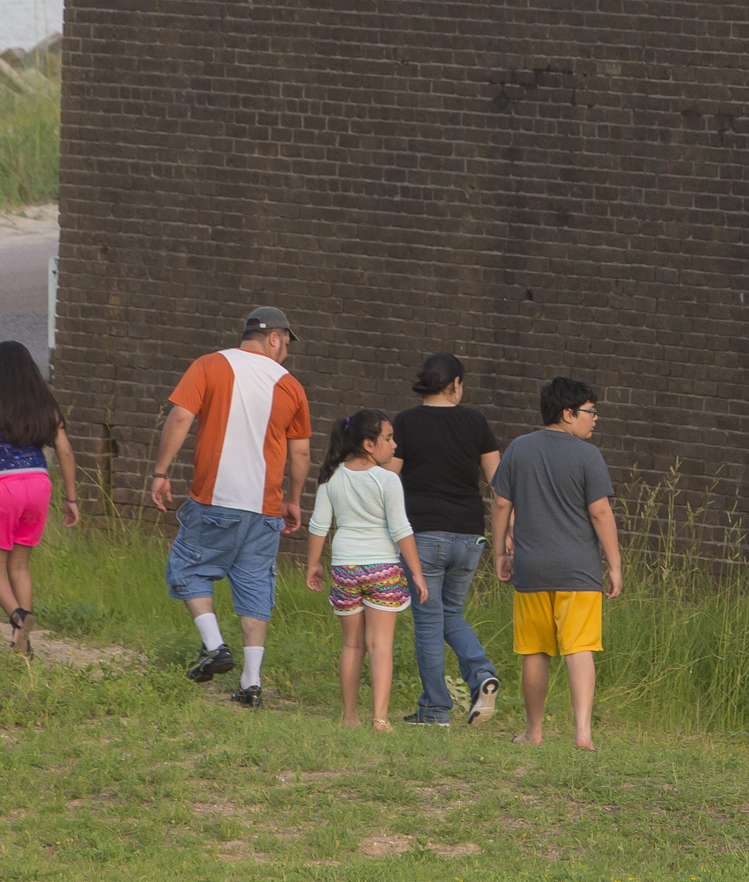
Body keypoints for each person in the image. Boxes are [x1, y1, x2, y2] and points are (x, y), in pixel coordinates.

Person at [149, 305, 312, 707]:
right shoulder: (291, 386)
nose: (287, 351)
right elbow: (301, 453)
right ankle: (251, 683)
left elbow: (180, 418)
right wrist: (292, 499)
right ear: (273, 338)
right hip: (266, 508)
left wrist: (161, 471)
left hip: (214, 499)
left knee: (187, 567)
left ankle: (213, 645)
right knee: (255, 585)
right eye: (286, 342)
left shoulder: (209, 365)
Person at [490, 376, 622, 750]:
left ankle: (533, 732)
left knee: (535, 650)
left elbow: (501, 503)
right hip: (578, 570)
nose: (595, 418)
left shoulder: (519, 448)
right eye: (590, 411)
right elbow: (600, 512)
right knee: (579, 649)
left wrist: (500, 552)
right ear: (568, 413)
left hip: (530, 568)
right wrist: (614, 565)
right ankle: (582, 734)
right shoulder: (588, 456)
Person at [0, 339, 82, 658]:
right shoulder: (45, 401)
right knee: (20, 565)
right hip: (39, 486)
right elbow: (64, 450)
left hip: (3, 487)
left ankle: (19, 617)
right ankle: (22, 644)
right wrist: (71, 499)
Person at [301, 409, 431, 733]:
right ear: (369, 444)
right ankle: (380, 718)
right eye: (388, 438)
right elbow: (401, 528)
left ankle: (349, 717)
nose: (394, 445)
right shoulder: (387, 480)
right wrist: (416, 572)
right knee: (380, 645)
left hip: (344, 568)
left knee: (351, 645)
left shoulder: (331, 477)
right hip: (383, 567)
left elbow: (319, 525)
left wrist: (313, 564)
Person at [391, 353, 503, 727]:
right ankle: (481, 673)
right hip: (470, 535)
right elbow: (500, 484)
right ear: (455, 383)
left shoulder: (405, 423)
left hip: (424, 534)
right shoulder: (476, 421)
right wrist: (507, 534)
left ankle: (435, 708)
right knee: (451, 613)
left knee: (428, 620)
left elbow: (389, 480)